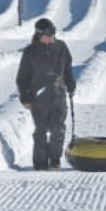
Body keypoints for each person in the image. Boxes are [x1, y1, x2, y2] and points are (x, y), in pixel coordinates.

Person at [16, 18, 75, 170]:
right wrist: (25, 97)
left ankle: (55, 161)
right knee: (40, 131)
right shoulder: (30, 52)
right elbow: (22, 78)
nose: (50, 40)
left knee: (58, 129)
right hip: (39, 99)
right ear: (38, 35)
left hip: (58, 96)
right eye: (47, 37)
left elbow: (67, 68)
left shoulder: (61, 47)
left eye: (52, 36)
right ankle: (40, 163)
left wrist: (71, 84)